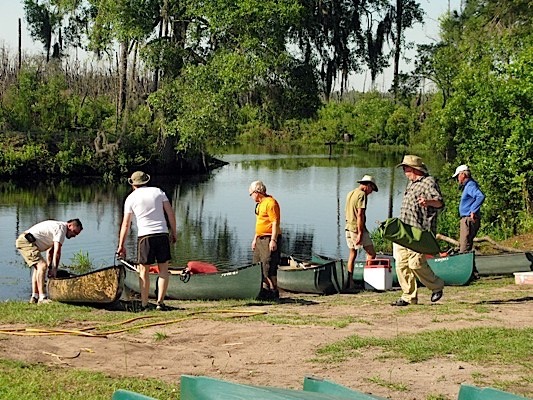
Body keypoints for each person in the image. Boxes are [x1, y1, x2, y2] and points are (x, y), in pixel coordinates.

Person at [117, 171, 177, 311]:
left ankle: (144, 304)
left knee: (143, 271)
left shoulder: (131, 198)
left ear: (133, 184)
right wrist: (173, 232)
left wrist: (121, 245)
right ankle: (160, 303)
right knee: (163, 270)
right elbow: (170, 213)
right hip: (162, 233)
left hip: (145, 236)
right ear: (146, 181)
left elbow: (126, 224)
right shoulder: (158, 192)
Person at [391, 155, 445, 306]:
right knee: (401, 264)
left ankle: (437, 286)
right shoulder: (411, 183)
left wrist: (428, 202)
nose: (404, 171)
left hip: (419, 233)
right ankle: (408, 297)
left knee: (416, 264)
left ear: (414, 169)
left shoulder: (429, 182)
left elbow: (440, 203)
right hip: (404, 231)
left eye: (405, 168)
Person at [15, 218, 83, 304]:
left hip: (27, 241)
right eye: (75, 232)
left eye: (77, 234)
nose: (74, 235)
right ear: (70, 225)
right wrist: (54, 269)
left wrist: (51, 267)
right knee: (42, 266)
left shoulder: (59, 229)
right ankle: (42, 298)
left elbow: (51, 251)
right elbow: (57, 252)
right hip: (26, 241)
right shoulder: (61, 229)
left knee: (38, 269)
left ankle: (34, 297)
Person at [249, 180, 281, 300]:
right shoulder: (259, 204)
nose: (251, 197)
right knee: (257, 266)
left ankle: (273, 291)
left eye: (251, 194)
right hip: (260, 239)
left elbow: (275, 223)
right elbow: (259, 223)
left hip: (269, 238)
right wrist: (254, 239)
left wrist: (273, 240)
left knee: (268, 266)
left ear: (257, 192)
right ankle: (263, 291)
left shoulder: (271, 203)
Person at [452, 164, 485, 279]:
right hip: (467, 219)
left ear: (463, 175)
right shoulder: (469, 185)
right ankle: (472, 273)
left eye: (458, 176)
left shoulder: (470, 185)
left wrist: (473, 210)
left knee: (464, 247)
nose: (457, 179)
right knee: (467, 245)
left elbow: (480, 196)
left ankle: (463, 273)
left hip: (467, 219)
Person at [344, 175, 378, 288]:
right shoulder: (362, 195)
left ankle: (350, 282)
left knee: (352, 254)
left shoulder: (351, 193)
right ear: (368, 185)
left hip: (348, 227)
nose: (371, 192)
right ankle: (369, 281)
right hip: (356, 229)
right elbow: (360, 215)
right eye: (372, 189)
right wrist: (360, 233)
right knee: (371, 253)